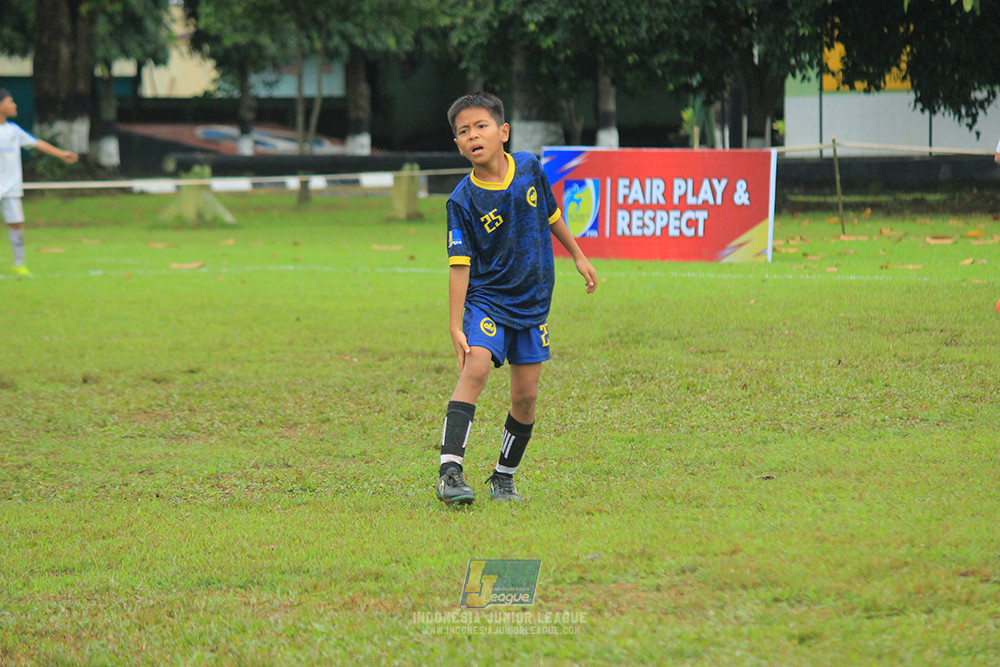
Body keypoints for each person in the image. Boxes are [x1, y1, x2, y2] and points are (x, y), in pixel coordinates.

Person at [436, 92, 597, 505]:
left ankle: (503, 477)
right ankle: (449, 472)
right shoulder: (462, 200)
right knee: (476, 368)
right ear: (457, 144)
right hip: (487, 300)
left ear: (503, 132)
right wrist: (455, 325)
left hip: (532, 303)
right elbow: (459, 264)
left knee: (526, 396)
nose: (473, 135)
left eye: (481, 126)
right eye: (463, 131)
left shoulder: (529, 168)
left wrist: (578, 256)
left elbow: (552, 214)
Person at [0, 88, 79, 276]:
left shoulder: (13, 130)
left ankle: (19, 264)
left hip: (10, 189)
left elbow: (37, 143)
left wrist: (62, 154)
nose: (14, 105)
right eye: (10, 101)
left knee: (16, 224)